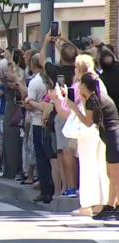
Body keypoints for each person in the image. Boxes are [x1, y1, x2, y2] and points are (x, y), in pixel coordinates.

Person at [63, 72, 112, 216]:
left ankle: (90, 204)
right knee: (98, 169)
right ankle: (100, 202)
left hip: (91, 136)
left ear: (84, 85)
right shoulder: (94, 98)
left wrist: (74, 107)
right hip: (98, 136)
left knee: (89, 169)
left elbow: (87, 122)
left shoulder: (92, 100)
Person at [40, 31, 79, 198]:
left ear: (61, 57)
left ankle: (70, 187)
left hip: (62, 114)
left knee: (64, 151)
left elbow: (42, 59)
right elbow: (80, 54)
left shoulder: (56, 71)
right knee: (77, 152)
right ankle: (74, 186)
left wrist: (45, 41)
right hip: (80, 113)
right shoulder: (81, 71)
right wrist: (65, 41)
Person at [25, 53, 55, 204]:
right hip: (52, 122)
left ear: (32, 64)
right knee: (51, 158)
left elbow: (30, 103)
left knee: (41, 158)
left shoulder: (34, 82)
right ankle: (53, 187)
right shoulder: (50, 80)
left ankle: (45, 191)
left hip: (38, 122)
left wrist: (26, 102)